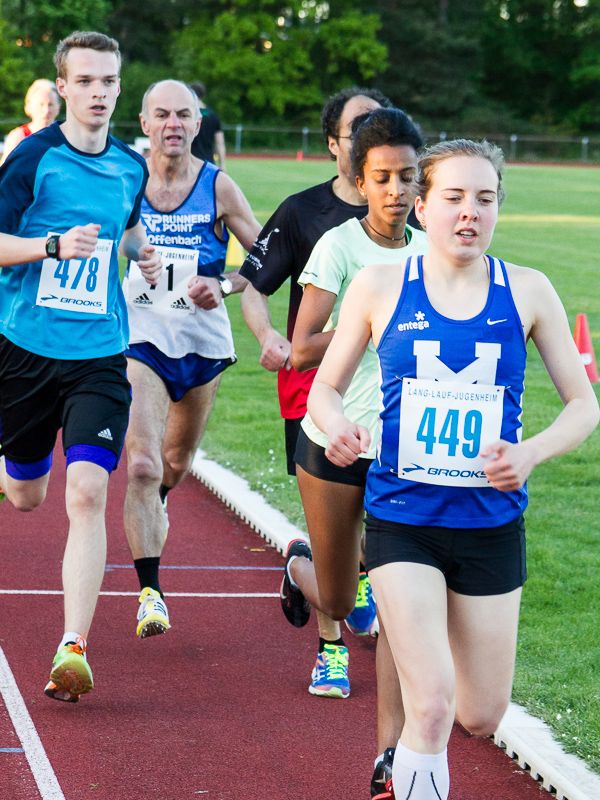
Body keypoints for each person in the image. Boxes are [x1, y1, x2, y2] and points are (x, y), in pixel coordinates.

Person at [306, 139, 599, 799]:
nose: (470, 212)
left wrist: (529, 452)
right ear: (422, 206)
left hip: (491, 525)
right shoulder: (382, 286)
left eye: (485, 199)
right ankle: (403, 775)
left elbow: (585, 406)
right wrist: (340, 427)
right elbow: (325, 389)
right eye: (455, 197)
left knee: (479, 715)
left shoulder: (528, 290)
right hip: (403, 520)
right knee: (432, 704)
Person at [0, 31, 161, 703]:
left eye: (109, 81)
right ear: (63, 87)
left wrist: (143, 252)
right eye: (86, 80)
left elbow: (127, 226)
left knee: (88, 491)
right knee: (27, 494)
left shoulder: (130, 166)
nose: (99, 92)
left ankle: (73, 647)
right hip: (26, 349)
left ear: (120, 86)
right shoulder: (33, 157)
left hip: (99, 355)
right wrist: (51, 246)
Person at [286, 107, 426, 793]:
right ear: (361, 180)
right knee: (343, 600)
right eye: (383, 178)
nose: (396, 190)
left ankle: (393, 757)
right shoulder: (339, 248)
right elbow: (300, 349)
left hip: (407, 449)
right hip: (335, 441)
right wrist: (361, 326)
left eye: (407, 176)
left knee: (397, 606)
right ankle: (299, 568)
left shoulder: (434, 250)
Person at [239, 87, 391, 699]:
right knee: (334, 534)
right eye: (358, 128)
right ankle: (331, 648)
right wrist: (268, 335)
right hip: (315, 393)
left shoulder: (413, 219)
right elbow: (254, 283)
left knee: (380, 533)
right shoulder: (304, 213)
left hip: (391, 400)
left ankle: (343, 572)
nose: (370, 136)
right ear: (334, 144)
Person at [122, 79, 261, 638]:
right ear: (145, 122)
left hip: (202, 341)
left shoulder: (218, 185)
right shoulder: (126, 176)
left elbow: (267, 256)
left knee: (174, 464)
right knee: (142, 463)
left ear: (199, 123)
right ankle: (150, 593)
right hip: (140, 336)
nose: (173, 124)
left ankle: (157, 503)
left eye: (184, 114)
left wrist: (223, 285)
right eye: (162, 114)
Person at [1, 79, 61, 164]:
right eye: (41, 104)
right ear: (29, 106)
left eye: (50, 104)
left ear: (58, 107)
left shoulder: (67, 135)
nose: (46, 110)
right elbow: (5, 170)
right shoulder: (18, 137)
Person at [190, 82, 226, 170]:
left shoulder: (187, 115)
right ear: (203, 95)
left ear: (190, 94)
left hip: (190, 163)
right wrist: (222, 165)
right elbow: (220, 143)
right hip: (208, 163)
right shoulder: (213, 115)